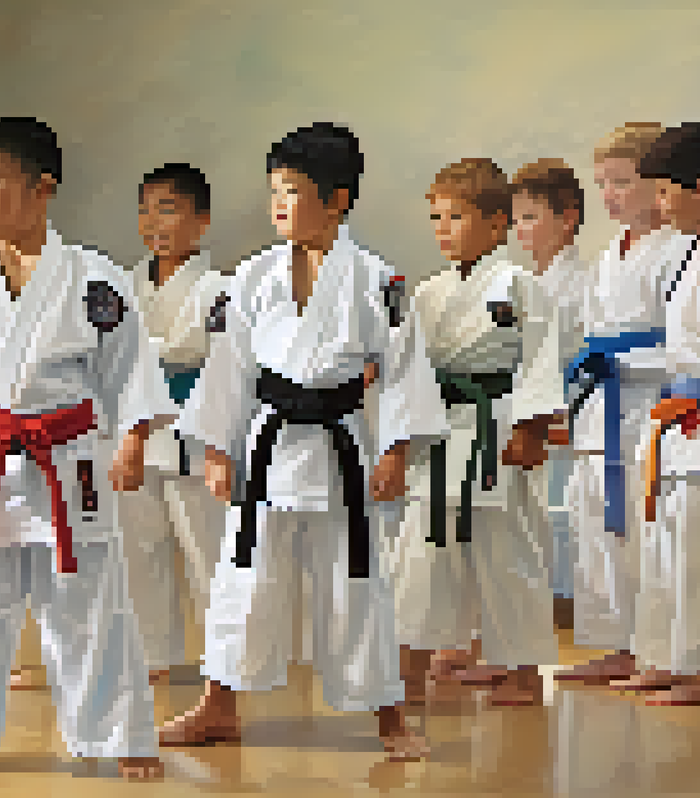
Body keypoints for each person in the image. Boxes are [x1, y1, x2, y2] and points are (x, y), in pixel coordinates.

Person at [159, 123, 446, 759]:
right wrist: (215, 446)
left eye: (293, 191)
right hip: (267, 445)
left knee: (358, 583)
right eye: (275, 192)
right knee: (243, 579)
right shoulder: (252, 276)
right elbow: (228, 366)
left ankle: (389, 715)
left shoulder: (378, 280)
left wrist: (397, 449)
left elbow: (401, 367)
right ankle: (218, 704)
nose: (279, 204)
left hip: (343, 445)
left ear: (338, 199)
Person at [0, 117, 171, 781]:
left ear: (42, 187)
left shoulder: (93, 279)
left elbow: (128, 367)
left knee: (89, 605)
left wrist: (133, 439)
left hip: (67, 461)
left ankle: (120, 734)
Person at [394, 158, 561, 707]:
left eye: (457, 217)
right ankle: (407, 668)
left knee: (506, 554)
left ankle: (524, 672)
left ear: (497, 224)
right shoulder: (425, 293)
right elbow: (409, 367)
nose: (443, 228)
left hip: (495, 427)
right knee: (421, 552)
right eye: (437, 217)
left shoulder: (519, 285)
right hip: (438, 432)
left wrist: (532, 427)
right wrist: (399, 440)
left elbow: (539, 358)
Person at [557, 124, 696, 686]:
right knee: (597, 531)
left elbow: (682, 341)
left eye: (623, 182)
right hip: (600, 408)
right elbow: (591, 332)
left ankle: (656, 650)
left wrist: (625, 364)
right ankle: (616, 644)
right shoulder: (607, 255)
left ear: (659, 183)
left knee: (646, 535)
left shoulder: (683, 249)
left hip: (649, 409)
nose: (610, 195)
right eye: (603, 185)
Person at [122, 163, 232, 685]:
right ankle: (150, 655)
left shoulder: (218, 288)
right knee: (139, 550)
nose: (152, 221)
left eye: (167, 209)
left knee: (206, 553)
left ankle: (224, 660)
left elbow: (201, 354)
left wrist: (145, 353)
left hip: (193, 431)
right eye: (145, 209)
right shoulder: (125, 284)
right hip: (135, 433)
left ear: (201, 220)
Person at [627, 122, 700, 704]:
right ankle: (669, 656)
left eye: (664, 192)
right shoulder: (695, 250)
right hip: (679, 417)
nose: (659, 206)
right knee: (667, 544)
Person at [511, 158, 589, 616]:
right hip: (529, 414)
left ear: (568, 217)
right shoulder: (527, 285)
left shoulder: (579, 285)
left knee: (559, 521)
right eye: (517, 218)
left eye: (531, 217)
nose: (522, 229)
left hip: (563, 418)